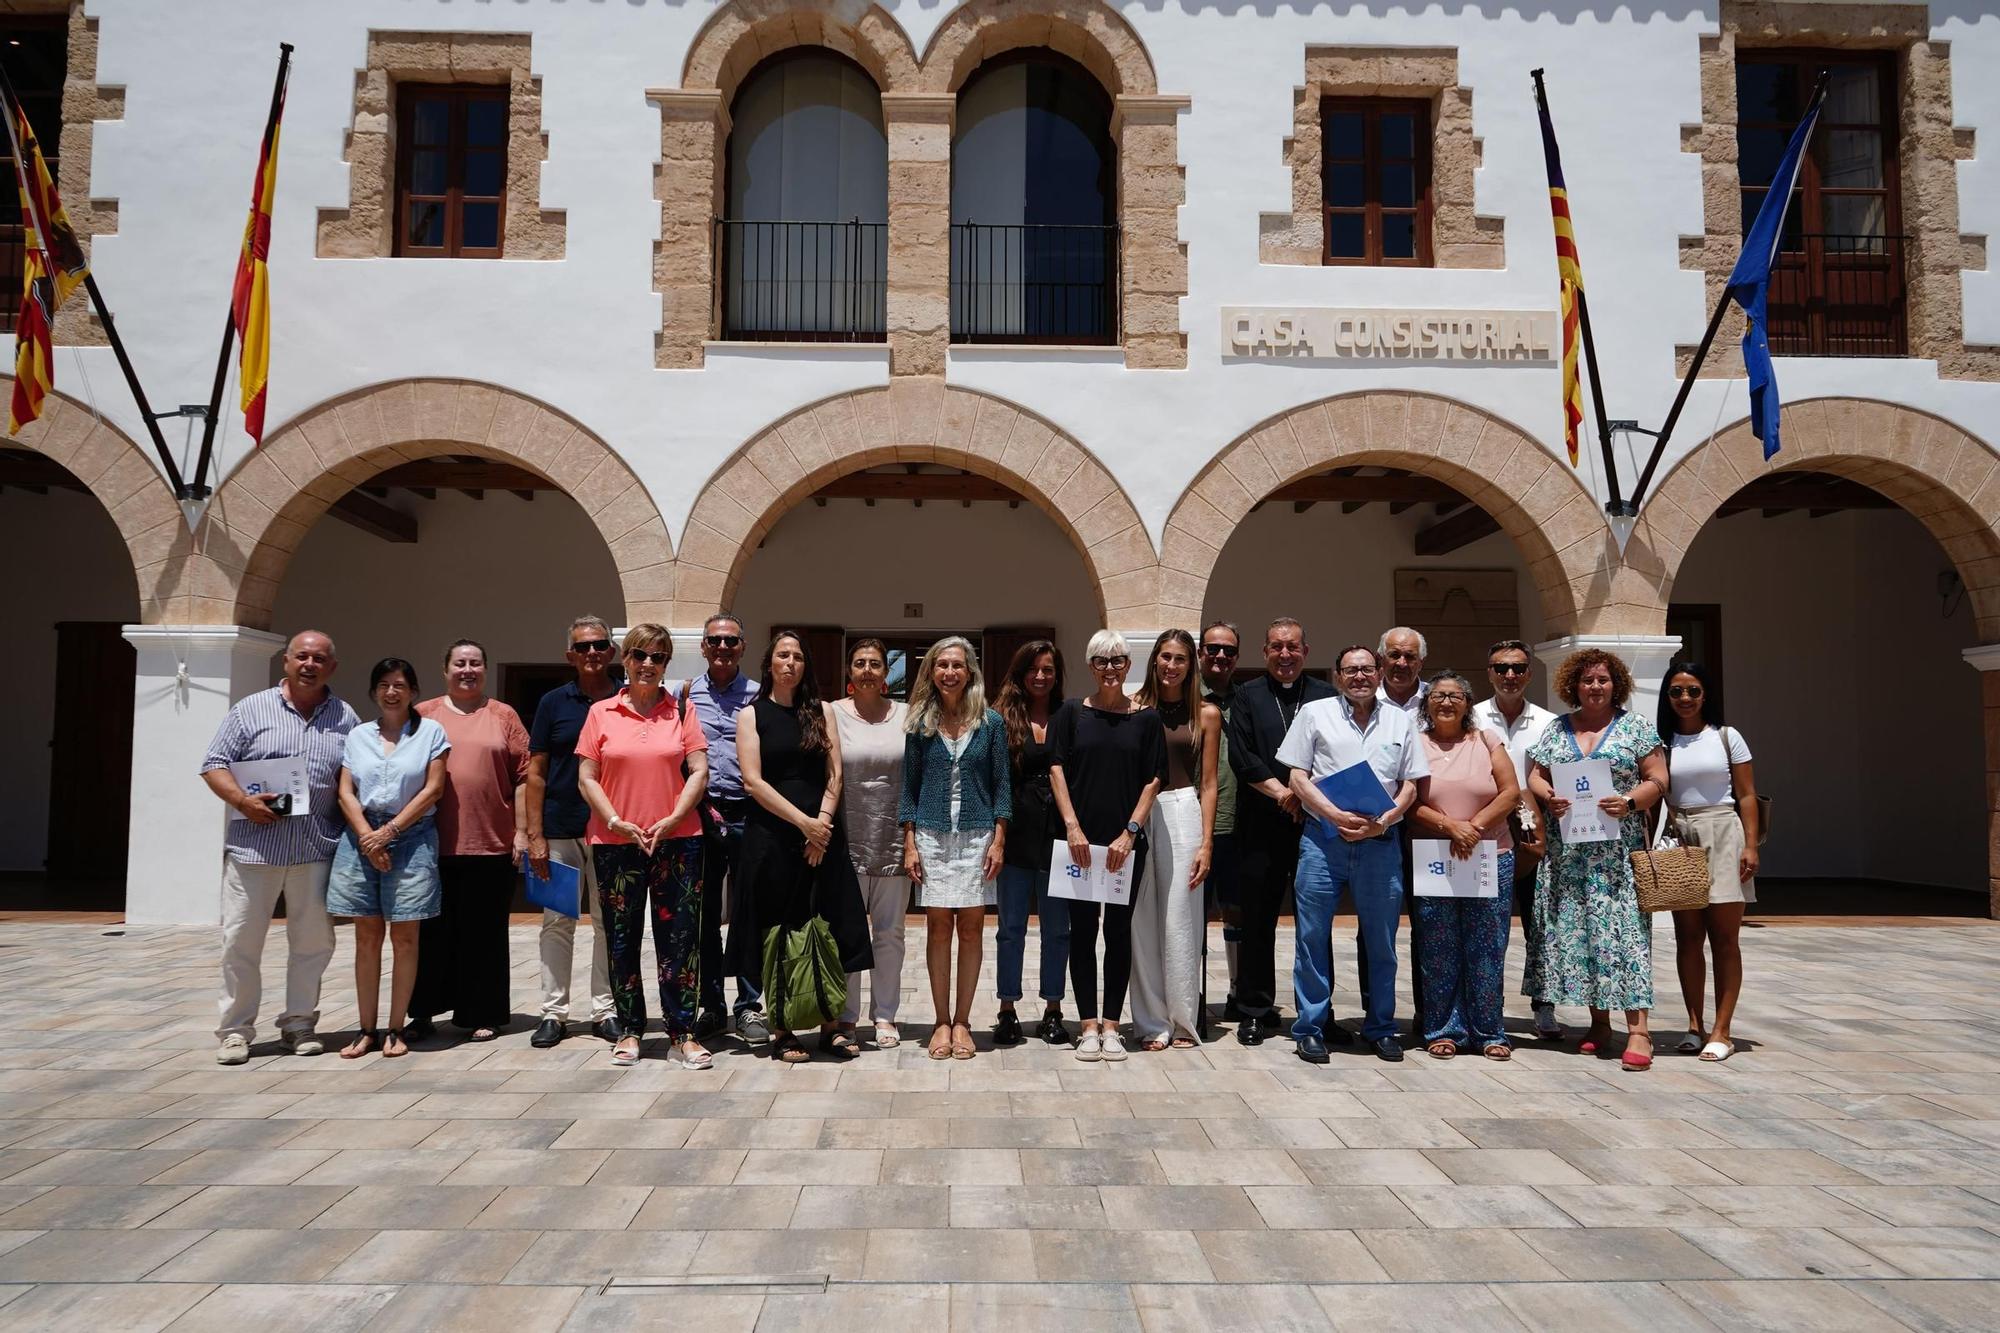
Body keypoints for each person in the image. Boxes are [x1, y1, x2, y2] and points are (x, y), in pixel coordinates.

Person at [199, 631, 357, 1065]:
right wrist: (241, 801)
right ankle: (235, 1031)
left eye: (319, 658)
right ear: (286, 661)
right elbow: (213, 764)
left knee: (313, 943)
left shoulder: (345, 717)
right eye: (301, 656)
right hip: (255, 849)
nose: (310, 664)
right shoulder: (250, 709)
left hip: (315, 848)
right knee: (241, 942)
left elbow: (355, 775)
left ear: (332, 667)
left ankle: (300, 1024)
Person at [729, 631, 873, 1063]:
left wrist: (822, 825)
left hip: (822, 839)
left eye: (797, 657)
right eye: (782, 655)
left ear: (805, 665)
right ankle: (782, 1029)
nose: (789, 663)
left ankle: (831, 1025)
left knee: (827, 928)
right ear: (769, 663)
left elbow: (836, 774)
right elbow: (753, 781)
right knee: (777, 932)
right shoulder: (751, 716)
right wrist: (804, 824)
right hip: (772, 839)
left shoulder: (822, 711)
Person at [1280, 645, 1428, 1064]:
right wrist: (1334, 813)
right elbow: (1296, 776)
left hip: (1380, 845)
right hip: (1323, 841)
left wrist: (1384, 822)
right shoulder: (1315, 713)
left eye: (1367, 669)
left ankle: (1380, 1027)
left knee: (1382, 941)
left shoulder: (1401, 720)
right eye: (1351, 670)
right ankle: (1310, 1027)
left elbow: (1411, 784)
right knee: (1311, 938)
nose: (1359, 677)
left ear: (1379, 673)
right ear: (1338, 675)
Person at [1524, 649, 1669, 1071]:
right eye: (1587, 680)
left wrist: (1628, 800)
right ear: (1574, 685)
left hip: (1616, 857)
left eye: (1603, 680)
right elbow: (1536, 771)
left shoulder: (1635, 727)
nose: (1595, 687)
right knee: (1584, 939)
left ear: (1616, 684)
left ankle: (1639, 1031)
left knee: (1626, 939)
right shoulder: (1557, 728)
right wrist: (1548, 796)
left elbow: (1659, 778)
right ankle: (1599, 1024)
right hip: (1570, 857)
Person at [576, 625, 712, 1068]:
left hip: (677, 840)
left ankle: (682, 1033)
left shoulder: (681, 711)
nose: (648, 664)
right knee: (621, 938)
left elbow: (698, 770)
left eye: (658, 657)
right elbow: (587, 777)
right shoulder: (601, 712)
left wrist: (675, 816)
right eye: (639, 655)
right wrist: (614, 818)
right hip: (617, 841)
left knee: (679, 940)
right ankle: (630, 1029)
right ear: (625, 660)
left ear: (667, 664)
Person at [1050, 631, 1166, 1062]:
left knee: (1118, 934)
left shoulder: (1147, 719)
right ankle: (1086, 1026)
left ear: (1129, 665)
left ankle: (1113, 1027)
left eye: (1118, 660)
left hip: (1124, 846)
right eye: (1101, 661)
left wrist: (1130, 831)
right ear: (1090, 666)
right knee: (1081, 933)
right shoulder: (1071, 712)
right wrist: (1073, 827)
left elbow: (1154, 777)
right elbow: (1057, 769)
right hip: (1079, 844)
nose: (1110, 668)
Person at [409, 639, 529, 1043]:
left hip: (491, 842)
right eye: (459, 663)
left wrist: (524, 832)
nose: (467, 670)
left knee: (486, 934)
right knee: (431, 935)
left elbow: (525, 775)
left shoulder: (503, 715)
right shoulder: (424, 714)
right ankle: (423, 1012)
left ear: (485, 669)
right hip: (430, 844)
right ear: (445, 669)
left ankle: (484, 1012)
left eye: (475, 663)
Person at [330, 657, 449, 1059]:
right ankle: (366, 1028)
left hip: (411, 836)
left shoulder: (430, 731)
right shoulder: (358, 735)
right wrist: (369, 837)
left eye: (399, 684)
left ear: (413, 691)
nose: (391, 692)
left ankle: (396, 1027)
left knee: (405, 936)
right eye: (383, 684)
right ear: (373, 691)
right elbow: (345, 791)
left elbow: (433, 789)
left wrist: (390, 832)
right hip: (362, 836)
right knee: (366, 937)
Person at [899, 636, 1011, 1061]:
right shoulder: (918, 722)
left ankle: (963, 1021)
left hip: (977, 835)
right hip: (930, 834)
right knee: (938, 928)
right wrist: (909, 842)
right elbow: (908, 788)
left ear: (970, 673)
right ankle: (940, 1021)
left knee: (971, 928)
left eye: (957, 666)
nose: (949, 672)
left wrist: (1000, 838)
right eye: (941, 665)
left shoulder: (991, 723)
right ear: (931, 671)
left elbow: (1002, 785)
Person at [1225, 618, 1335, 1045]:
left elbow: (1337, 754)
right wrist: (1284, 794)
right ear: (1264, 651)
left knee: (1316, 923)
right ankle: (1255, 1008)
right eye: (1276, 647)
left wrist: (1305, 798)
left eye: (1292, 647)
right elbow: (1244, 754)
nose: (1284, 655)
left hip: (1316, 826)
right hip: (1262, 824)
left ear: (1306, 651)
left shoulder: (1326, 696)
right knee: (1258, 920)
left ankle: (1318, 1012)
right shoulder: (1247, 695)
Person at [1407, 670, 1519, 1061]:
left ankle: (1489, 1030)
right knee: (1438, 948)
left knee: (1486, 947)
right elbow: (1408, 801)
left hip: (1491, 855)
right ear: (1426, 704)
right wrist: (1449, 826)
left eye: (1455, 695)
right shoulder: (1416, 744)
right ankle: (1444, 1029)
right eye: (1438, 696)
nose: (1446, 702)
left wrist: (1474, 827)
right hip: (1435, 859)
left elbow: (1511, 792)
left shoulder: (1487, 740)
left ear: (1468, 703)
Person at [523, 616, 620, 1048]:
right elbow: (536, 772)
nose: (592, 654)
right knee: (557, 922)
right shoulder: (552, 703)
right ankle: (554, 1013)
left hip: (610, 828)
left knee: (607, 921)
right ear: (570, 656)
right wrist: (534, 834)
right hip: (561, 828)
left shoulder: (626, 697)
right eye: (583, 648)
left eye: (599, 646)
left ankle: (606, 1010)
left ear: (612, 651)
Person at [1657, 662, 1760, 1063]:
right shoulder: (1662, 741)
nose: (1685, 698)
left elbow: (1748, 794)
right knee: (1687, 937)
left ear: (1706, 694)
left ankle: (1723, 1030)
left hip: (1722, 828)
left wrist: (1751, 845)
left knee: (1725, 937)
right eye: (1677, 691)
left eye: (1693, 691)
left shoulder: (1726, 737)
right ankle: (1694, 1025)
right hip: (1681, 833)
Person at [1129, 630, 1220, 1050]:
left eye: (1180, 658)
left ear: (1191, 664)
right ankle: (1149, 1023)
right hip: (1138, 814)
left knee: (1180, 917)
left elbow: (1210, 783)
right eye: (1164, 656)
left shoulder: (1206, 714)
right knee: (1140, 917)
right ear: (1154, 661)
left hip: (1183, 810)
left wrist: (1206, 843)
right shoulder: (1134, 708)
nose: (1171, 665)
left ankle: (1183, 1020)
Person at [1472, 639, 1562, 1041]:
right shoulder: (1471, 717)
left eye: (1519, 668)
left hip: (1534, 835)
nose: (1510, 675)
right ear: (1489, 672)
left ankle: (1544, 1006)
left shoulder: (1548, 722)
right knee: (1485, 927)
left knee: (1538, 923)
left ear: (1529, 673)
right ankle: (1482, 1005)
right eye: (1501, 668)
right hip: (1484, 830)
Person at [682, 614, 766, 1043]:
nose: (722, 647)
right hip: (702, 815)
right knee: (706, 916)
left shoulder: (757, 695)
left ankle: (749, 1006)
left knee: (749, 913)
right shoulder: (685, 695)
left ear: (742, 646)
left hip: (750, 814)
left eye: (730, 640)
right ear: (702, 646)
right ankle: (711, 1005)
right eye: (714, 640)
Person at [832, 638, 911, 1051]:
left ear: (885, 673)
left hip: (894, 839)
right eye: (860, 663)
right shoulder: (832, 713)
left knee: (890, 933)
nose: (867, 670)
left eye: (875, 664)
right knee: (847, 932)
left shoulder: (907, 716)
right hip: (846, 838)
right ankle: (846, 1017)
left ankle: (885, 1016)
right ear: (849, 670)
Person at [993, 639, 1072, 1047]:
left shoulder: (1068, 715)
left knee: (1057, 930)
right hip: (1016, 831)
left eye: (1048, 669)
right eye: (1034, 669)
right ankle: (1007, 1008)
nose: (1041, 677)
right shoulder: (1000, 717)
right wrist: (997, 836)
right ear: (1021, 672)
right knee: (1011, 928)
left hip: (1059, 835)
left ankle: (1053, 1008)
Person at [1199, 622, 1243, 1025]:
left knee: (1235, 911)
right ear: (1200, 653)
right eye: (1213, 649)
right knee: (1192, 915)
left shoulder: (1246, 701)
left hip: (1239, 823)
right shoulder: (1186, 701)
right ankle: (1191, 993)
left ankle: (1235, 990)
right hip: (1192, 825)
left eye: (1228, 651)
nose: (1220, 657)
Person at [1377, 627, 1429, 713]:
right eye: (1394, 655)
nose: (1401, 663)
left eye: (1409, 657)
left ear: (1421, 663)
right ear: (1380, 659)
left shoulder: (1434, 699)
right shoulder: (1368, 699)